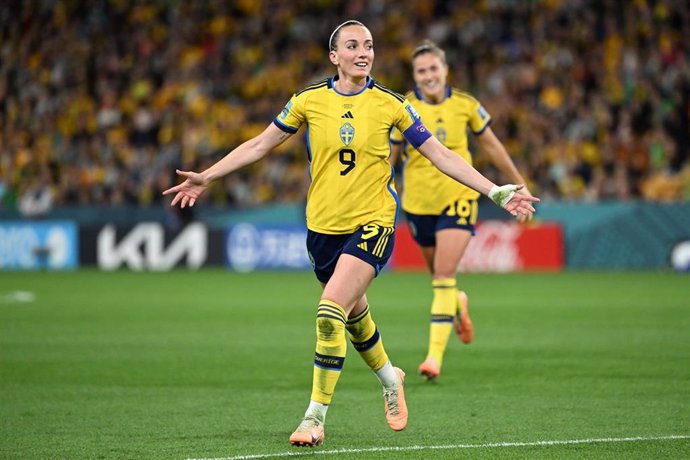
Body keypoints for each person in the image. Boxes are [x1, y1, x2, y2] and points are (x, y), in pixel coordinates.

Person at [163, 21, 539, 448]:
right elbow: (259, 145)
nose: (364, 52)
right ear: (334, 56)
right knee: (356, 318)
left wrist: (494, 190)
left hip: (374, 223)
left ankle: (314, 417)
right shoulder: (308, 100)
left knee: (329, 313)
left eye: (370, 45)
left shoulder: (392, 104)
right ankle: (390, 379)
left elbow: (439, 154)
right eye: (353, 46)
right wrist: (207, 177)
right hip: (322, 228)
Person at [390, 40, 534, 381]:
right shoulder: (402, 107)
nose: (428, 76)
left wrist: (519, 182)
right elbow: (390, 157)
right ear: (415, 76)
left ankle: (433, 359)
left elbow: (492, 146)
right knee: (440, 278)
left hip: (459, 199)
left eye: (433, 69)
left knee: (442, 276)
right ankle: (459, 302)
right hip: (417, 204)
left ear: (445, 70)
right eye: (421, 71)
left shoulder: (466, 105)